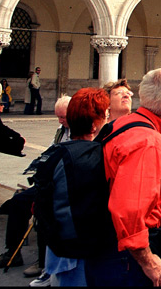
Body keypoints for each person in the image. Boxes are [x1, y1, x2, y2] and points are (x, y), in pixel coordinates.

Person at [85, 67, 161, 287]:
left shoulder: (122, 124)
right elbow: (130, 209)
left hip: (109, 244)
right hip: (127, 256)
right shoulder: (148, 140)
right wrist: (148, 260)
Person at [0, 96, 71, 279]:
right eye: (58, 117)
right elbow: (49, 152)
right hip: (48, 181)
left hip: (63, 185)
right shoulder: (60, 130)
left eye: (63, 117)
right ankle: (12, 252)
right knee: (17, 202)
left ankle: (42, 261)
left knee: (43, 208)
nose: (60, 121)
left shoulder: (81, 130)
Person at [43, 88, 110, 287]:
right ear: (95, 122)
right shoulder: (96, 155)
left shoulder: (57, 152)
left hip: (58, 247)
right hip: (82, 250)